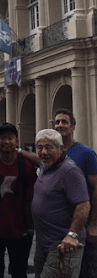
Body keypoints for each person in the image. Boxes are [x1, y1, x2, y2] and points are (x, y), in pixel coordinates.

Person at [32, 129, 90, 278]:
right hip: (44, 244)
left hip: (63, 246)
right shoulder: (46, 166)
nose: (44, 152)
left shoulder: (70, 170)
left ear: (61, 149)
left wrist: (72, 235)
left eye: (49, 147)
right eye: (40, 147)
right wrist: (18, 152)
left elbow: (83, 205)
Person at [0, 123, 37, 278]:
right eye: (2, 138)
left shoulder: (26, 165)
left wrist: (31, 226)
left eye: (10, 138)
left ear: (16, 141)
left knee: (19, 271)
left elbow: (33, 195)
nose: (6, 141)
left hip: (20, 230)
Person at [54, 108, 97, 277]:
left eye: (64, 122)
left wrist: (94, 225)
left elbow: (96, 188)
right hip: (59, 228)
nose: (60, 125)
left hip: (84, 227)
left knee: (85, 270)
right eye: (57, 122)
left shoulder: (86, 153)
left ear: (73, 127)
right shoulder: (53, 153)